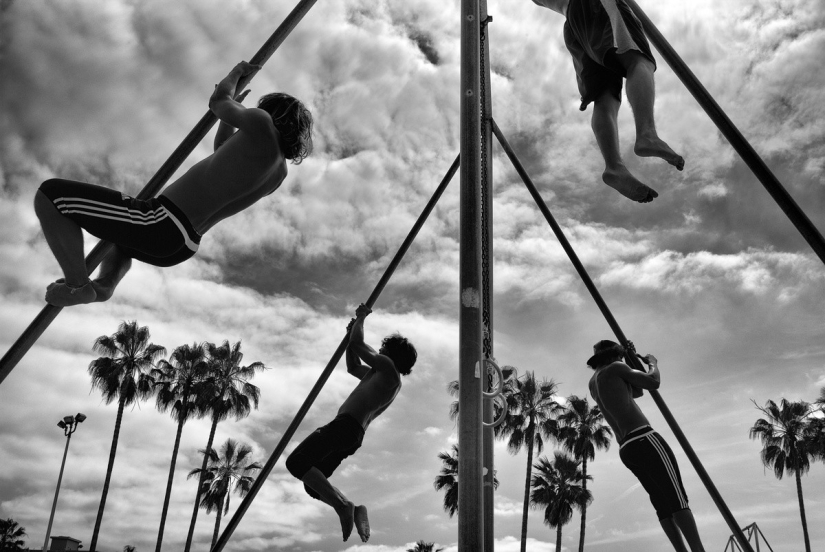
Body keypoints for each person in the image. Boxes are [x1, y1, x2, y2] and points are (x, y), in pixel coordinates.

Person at [33, 61, 313, 306]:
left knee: (51, 195)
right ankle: (104, 286)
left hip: (161, 221)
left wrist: (237, 73)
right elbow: (222, 150)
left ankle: (78, 286)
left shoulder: (261, 121)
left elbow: (218, 101)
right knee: (121, 244)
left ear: (271, 111)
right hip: (183, 246)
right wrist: (231, 112)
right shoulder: (279, 174)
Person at [285, 304, 417, 543]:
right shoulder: (379, 375)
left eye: (383, 347)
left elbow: (359, 345)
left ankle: (343, 505)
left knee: (296, 462)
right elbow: (353, 365)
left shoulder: (389, 370)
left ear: (393, 354)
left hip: (345, 427)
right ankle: (353, 510)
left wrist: (362, 318)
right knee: (312, 484)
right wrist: (349, 337)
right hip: (351, 435)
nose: (379, 348)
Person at [531, 0, 684, 203]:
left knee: (605, 96)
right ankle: (647, 134)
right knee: (638, 60)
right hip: (596, 4)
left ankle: (614, 166)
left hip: (573, 23)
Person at [586, 339, 705, 552]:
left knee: (662, 504)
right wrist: (652, 362)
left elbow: (637, 392)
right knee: (676, 498)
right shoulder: (616, 367)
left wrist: (632, 358)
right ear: (615, 355)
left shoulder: (595, 381)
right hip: (644, 438)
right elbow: (653, 382)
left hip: (627, 448)